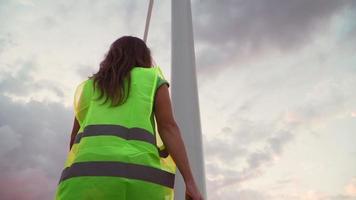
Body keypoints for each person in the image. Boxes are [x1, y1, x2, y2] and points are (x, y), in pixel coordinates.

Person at [55, 35, 204, 200]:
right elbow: (169, 128)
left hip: (83, 179)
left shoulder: (91, 86)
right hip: (138, 178)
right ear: (144, 57)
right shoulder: (152, 80)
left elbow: (74, 138)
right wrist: (190, 181)